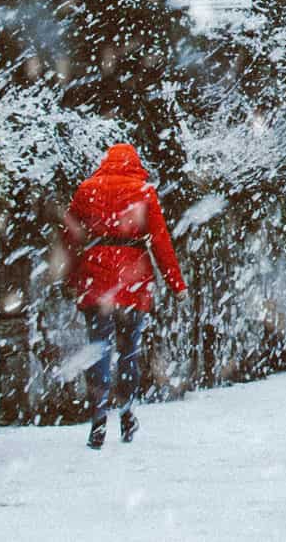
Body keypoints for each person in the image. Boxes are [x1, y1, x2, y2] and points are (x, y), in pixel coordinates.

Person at [64, 143, 186, 449]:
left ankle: (98, 416)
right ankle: (127, 410)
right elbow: (160, 240)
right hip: (133, 280)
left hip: (96, 278)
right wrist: (176, 283)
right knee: (128, 350)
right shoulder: (143, 191)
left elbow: (69, 238)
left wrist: (70, 278)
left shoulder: (85, 191)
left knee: (98, 350)